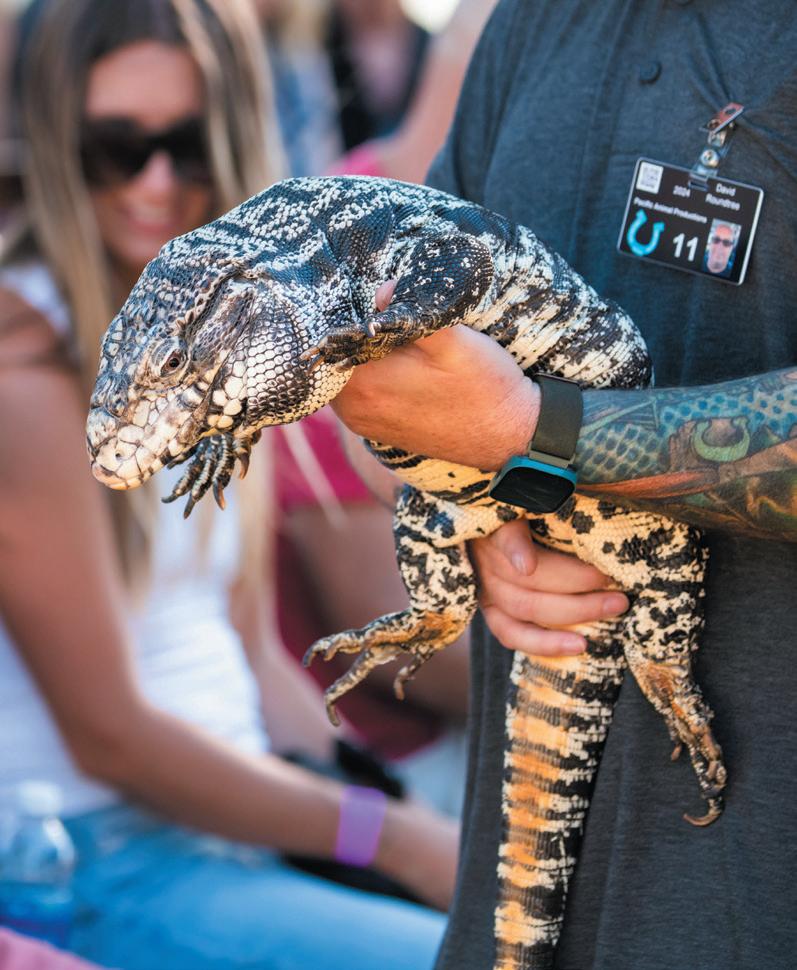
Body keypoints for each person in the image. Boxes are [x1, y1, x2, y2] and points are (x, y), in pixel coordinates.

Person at [330, 2, 797, 968]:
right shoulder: (532, 20)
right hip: (521, 887)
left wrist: (535, 438)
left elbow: (501, 418)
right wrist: (494, 529)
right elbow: (413, 372)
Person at [0, 1, 456, 967]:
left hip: (235, 829)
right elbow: (111, 740)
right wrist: (394, 841)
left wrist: (371, 801)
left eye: (190, 144)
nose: (157, 183)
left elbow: (254, 658)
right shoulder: (25, 372)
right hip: (91, 858)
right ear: (52, 146)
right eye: (115, 149)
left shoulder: (217, 338)